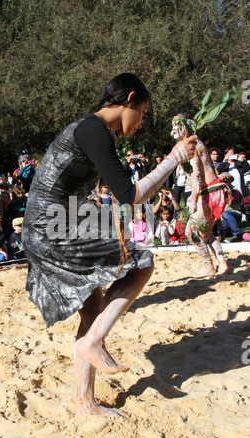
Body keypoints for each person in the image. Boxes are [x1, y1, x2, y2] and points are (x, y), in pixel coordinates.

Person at [22, 73, 197, 417]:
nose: (142, 121)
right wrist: (175, 157)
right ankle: (92, 343)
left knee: (93, 308)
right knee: (142, 264)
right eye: (143, 111)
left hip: (53, 224)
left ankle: (85, 405)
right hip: (50, 228)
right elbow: (130, 196)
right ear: (128, 99)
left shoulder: (92, 130)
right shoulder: (92, 130)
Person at [171, 113, 229, 276]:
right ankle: (222, 263)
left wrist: (193, 197)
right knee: (205, 232)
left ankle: (208, 266)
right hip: (210, 191)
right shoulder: (190, 144)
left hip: (207, 192)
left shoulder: (192, 144)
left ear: (187, 126)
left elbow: (196, 174)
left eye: (178, 124)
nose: (174, 128)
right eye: (173, 125)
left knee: (192, 231)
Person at [221, 175, 243, 242]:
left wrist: (227, 189)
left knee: (225, 213)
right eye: (224, 180)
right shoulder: (219, 191)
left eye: (228, 180)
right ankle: (227, 234)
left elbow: (230, 200)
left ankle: (237, 233)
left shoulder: (235, 190)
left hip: (235, 214)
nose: (226, 182)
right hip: (223, 219)